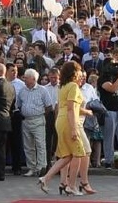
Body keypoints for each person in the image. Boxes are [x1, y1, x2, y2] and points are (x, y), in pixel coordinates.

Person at [38, 61, 94, 196]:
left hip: (61, 121)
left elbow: (67, 107)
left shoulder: (63, 86)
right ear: (74, 73)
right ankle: (72, 185)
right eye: (79, 71)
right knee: (79, 153)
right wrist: (74, 128)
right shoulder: (73, 86)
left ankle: (46, 178)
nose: (80, 73)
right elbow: (71, 109)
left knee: (67, 155)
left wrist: (84, 113)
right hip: (69, 122)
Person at [16, 68, 53, 178]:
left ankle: (41, 167)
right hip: (26, 120)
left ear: (33, 79)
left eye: (26, 78)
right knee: (28, 146)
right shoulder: (22, 91)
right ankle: (31, 168)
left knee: (40, 144)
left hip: (38, 120)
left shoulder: (42, 90)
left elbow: (49, 106)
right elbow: (18, 104)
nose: (25, 80)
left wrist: (40, 115)